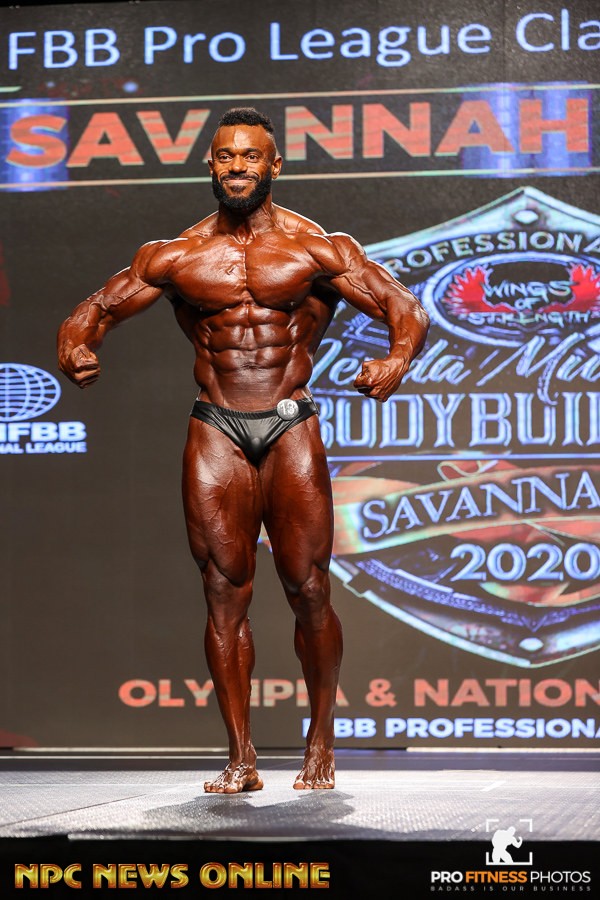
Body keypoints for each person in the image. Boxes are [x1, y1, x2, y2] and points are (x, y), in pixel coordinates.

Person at [57, 108, 429, 793]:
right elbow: (97, 309)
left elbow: (402, 306)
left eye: (250, 156)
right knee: (223, 592)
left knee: (308, 588)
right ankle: (241, 757)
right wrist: (75, 345)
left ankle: (321, 742)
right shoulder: (173, 255)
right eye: (226, 156)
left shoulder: (317, 248)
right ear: (211, 164)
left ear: (273, 165)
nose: (237, 167)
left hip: (289, 424)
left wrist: (397, 359)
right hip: (217, 425)